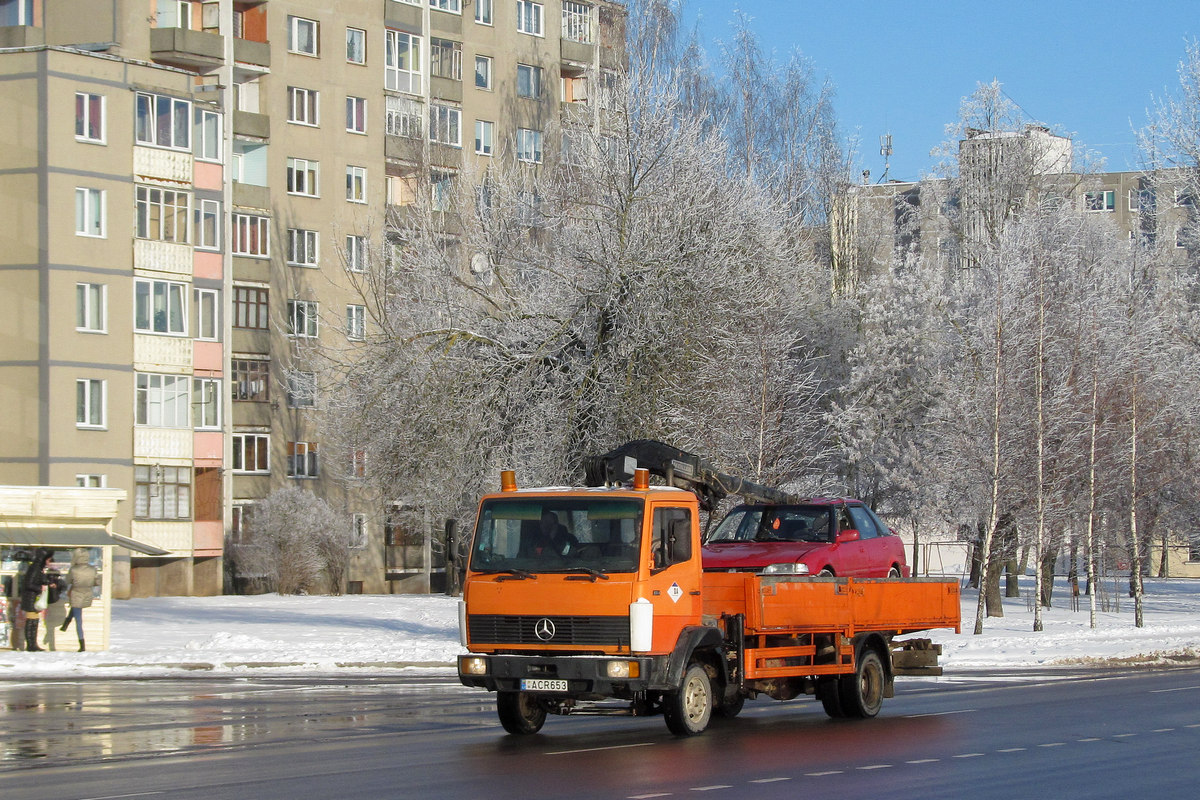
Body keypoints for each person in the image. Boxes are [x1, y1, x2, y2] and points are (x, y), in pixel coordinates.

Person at [60, 548, 98, 651]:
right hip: (87, 594)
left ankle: (82, 645)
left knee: (78, 620)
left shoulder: (74, 569)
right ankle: (66, 623)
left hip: (76, 593)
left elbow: (67, 581)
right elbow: (96, 582)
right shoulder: (93, 569)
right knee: (77, 609)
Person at [19, 548, 53, 651]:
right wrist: (40, 588)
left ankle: (33, 644)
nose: (49, 562)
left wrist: (48, 582)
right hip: (30, 598)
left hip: (33, 598)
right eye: (48, 560)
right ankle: (31, 645)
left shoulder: (37, 568)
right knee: (31, 621)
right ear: (43, 559)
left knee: (34, 621)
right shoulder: (35, 568)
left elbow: (37, 580)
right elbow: (28, 584)